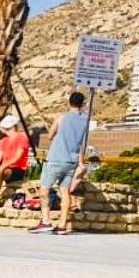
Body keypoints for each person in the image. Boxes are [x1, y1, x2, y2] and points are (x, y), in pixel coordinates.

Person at [32, 92, 91, 234]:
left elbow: (51, 135)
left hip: (57, 158)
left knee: (44, 190)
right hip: (72, 161)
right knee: (65, 191)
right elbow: (83, 142)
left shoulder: (62, 118)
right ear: (82, 104)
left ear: (69, 102)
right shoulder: (85, 120)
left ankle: (46, 221)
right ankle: (62, 224)